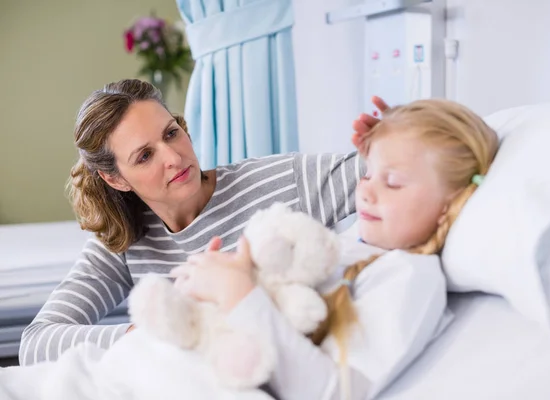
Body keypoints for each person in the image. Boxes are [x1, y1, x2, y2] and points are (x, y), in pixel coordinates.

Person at [18, 79, 383, 366]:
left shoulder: (284, 181)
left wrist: (392, 137)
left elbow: (387, 169)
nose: (174, 157)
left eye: (171, 133)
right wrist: (153, 331)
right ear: (116, 179)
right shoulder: (124, 241)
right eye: (145, 156)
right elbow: (36, 343)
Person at [167, 98, 500, 399]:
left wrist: (237, 294)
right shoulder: (353, 242)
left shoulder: (409, 278)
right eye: (368, 174)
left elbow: (331, 391)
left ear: (451, 201)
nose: (366, 192)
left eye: (394, 182)